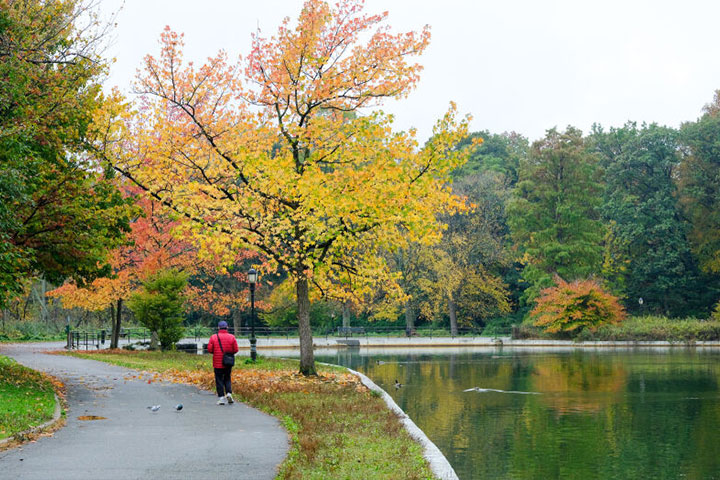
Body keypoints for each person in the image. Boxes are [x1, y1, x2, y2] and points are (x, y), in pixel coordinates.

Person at [207, 320, 239, 405]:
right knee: (227, 378)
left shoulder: (213, 337)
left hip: (217, 363)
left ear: (218, 328)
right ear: (227, 327)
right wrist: (229, 353)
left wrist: (216, 352)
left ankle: (221, 398)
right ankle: (229, 393)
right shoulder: (232, 337)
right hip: (228, 362)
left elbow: (210, 349)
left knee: (219, 380)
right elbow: (236, 349)